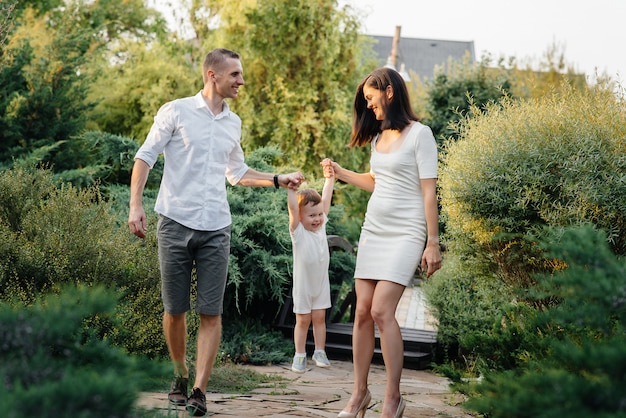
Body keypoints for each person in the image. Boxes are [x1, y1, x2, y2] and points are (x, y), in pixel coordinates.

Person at [127, 48, 304, 417]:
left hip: (216, 228)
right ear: (213, 75)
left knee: (211, 312)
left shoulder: (232, 122)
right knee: (175, 310)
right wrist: (135, 205)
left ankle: (199, 390)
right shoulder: (175, 111)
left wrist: (276, 179)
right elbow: (145, 156)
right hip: (175, 222)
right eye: (235, 75)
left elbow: (236, 172)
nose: (241, 81)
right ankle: (179, 372)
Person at [323, 67, 442, 418]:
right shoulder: (378, 138)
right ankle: (359, 395)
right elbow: (378, 181)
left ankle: (392, 398)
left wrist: (432, 242)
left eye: (372, 99)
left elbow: (428, 191)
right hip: (374, 229)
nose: (370, 107)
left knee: (380, 310)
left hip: (407, 232)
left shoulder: (421, 135)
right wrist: (342, 172)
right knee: (361, 312)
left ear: (389, 92)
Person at [287, 159, 335, 373]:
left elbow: (326, 199)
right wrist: (291, 189)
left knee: (319, 317)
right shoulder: (299, 232)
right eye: (312, 216)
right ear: (300, 216)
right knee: (303, 319)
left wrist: (329, 178)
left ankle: (319, 350)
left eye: (319, 215)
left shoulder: (321, 226)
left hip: (320, 283)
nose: (317, 219)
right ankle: (299, 354)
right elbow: (292, 208)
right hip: (304, 285)